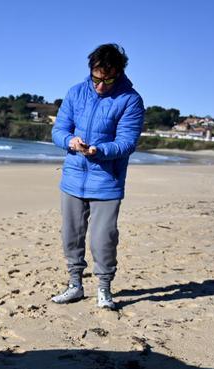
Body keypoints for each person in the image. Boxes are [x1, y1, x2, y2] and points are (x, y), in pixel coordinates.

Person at [50, 43, 145, 310]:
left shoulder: (130, 100)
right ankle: (75, 285)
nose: (101, 85)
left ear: (119, 72)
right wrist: (70, 141)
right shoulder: (76, 92)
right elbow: (58, 131)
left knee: (103, 238)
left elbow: (127, 143)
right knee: (71, 234)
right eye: (97, 78)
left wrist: (99, 150)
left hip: (107, 181)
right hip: (72, 178)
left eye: (109, 79)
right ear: (91, 71)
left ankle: (104, 288)